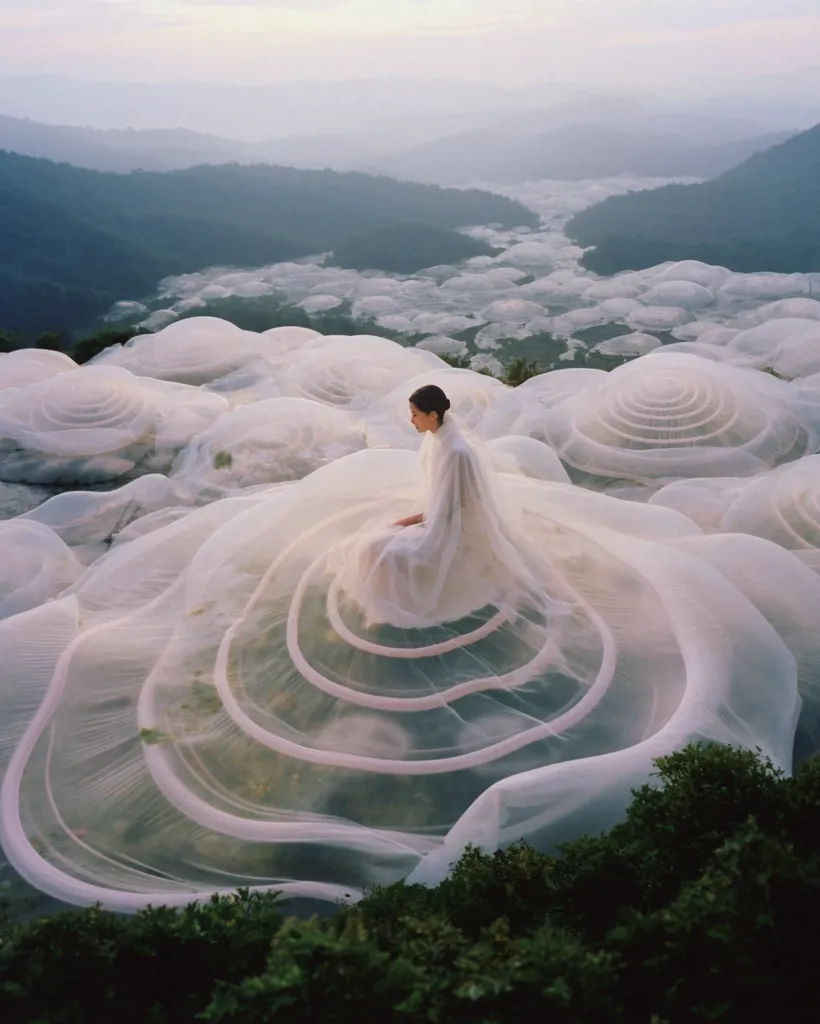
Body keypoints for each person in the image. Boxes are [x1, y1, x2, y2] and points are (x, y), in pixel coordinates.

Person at [335, 384, 562, 630]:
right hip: (442, 517)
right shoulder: (439, 438)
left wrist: (405, 523)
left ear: (432, 415)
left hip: (455, 529)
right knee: (375, 541)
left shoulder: (456, 452)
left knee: (379, 548)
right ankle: (379, 611)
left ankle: (387, 614)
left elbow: (446, 513)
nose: (411, 420)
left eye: (415, 414)